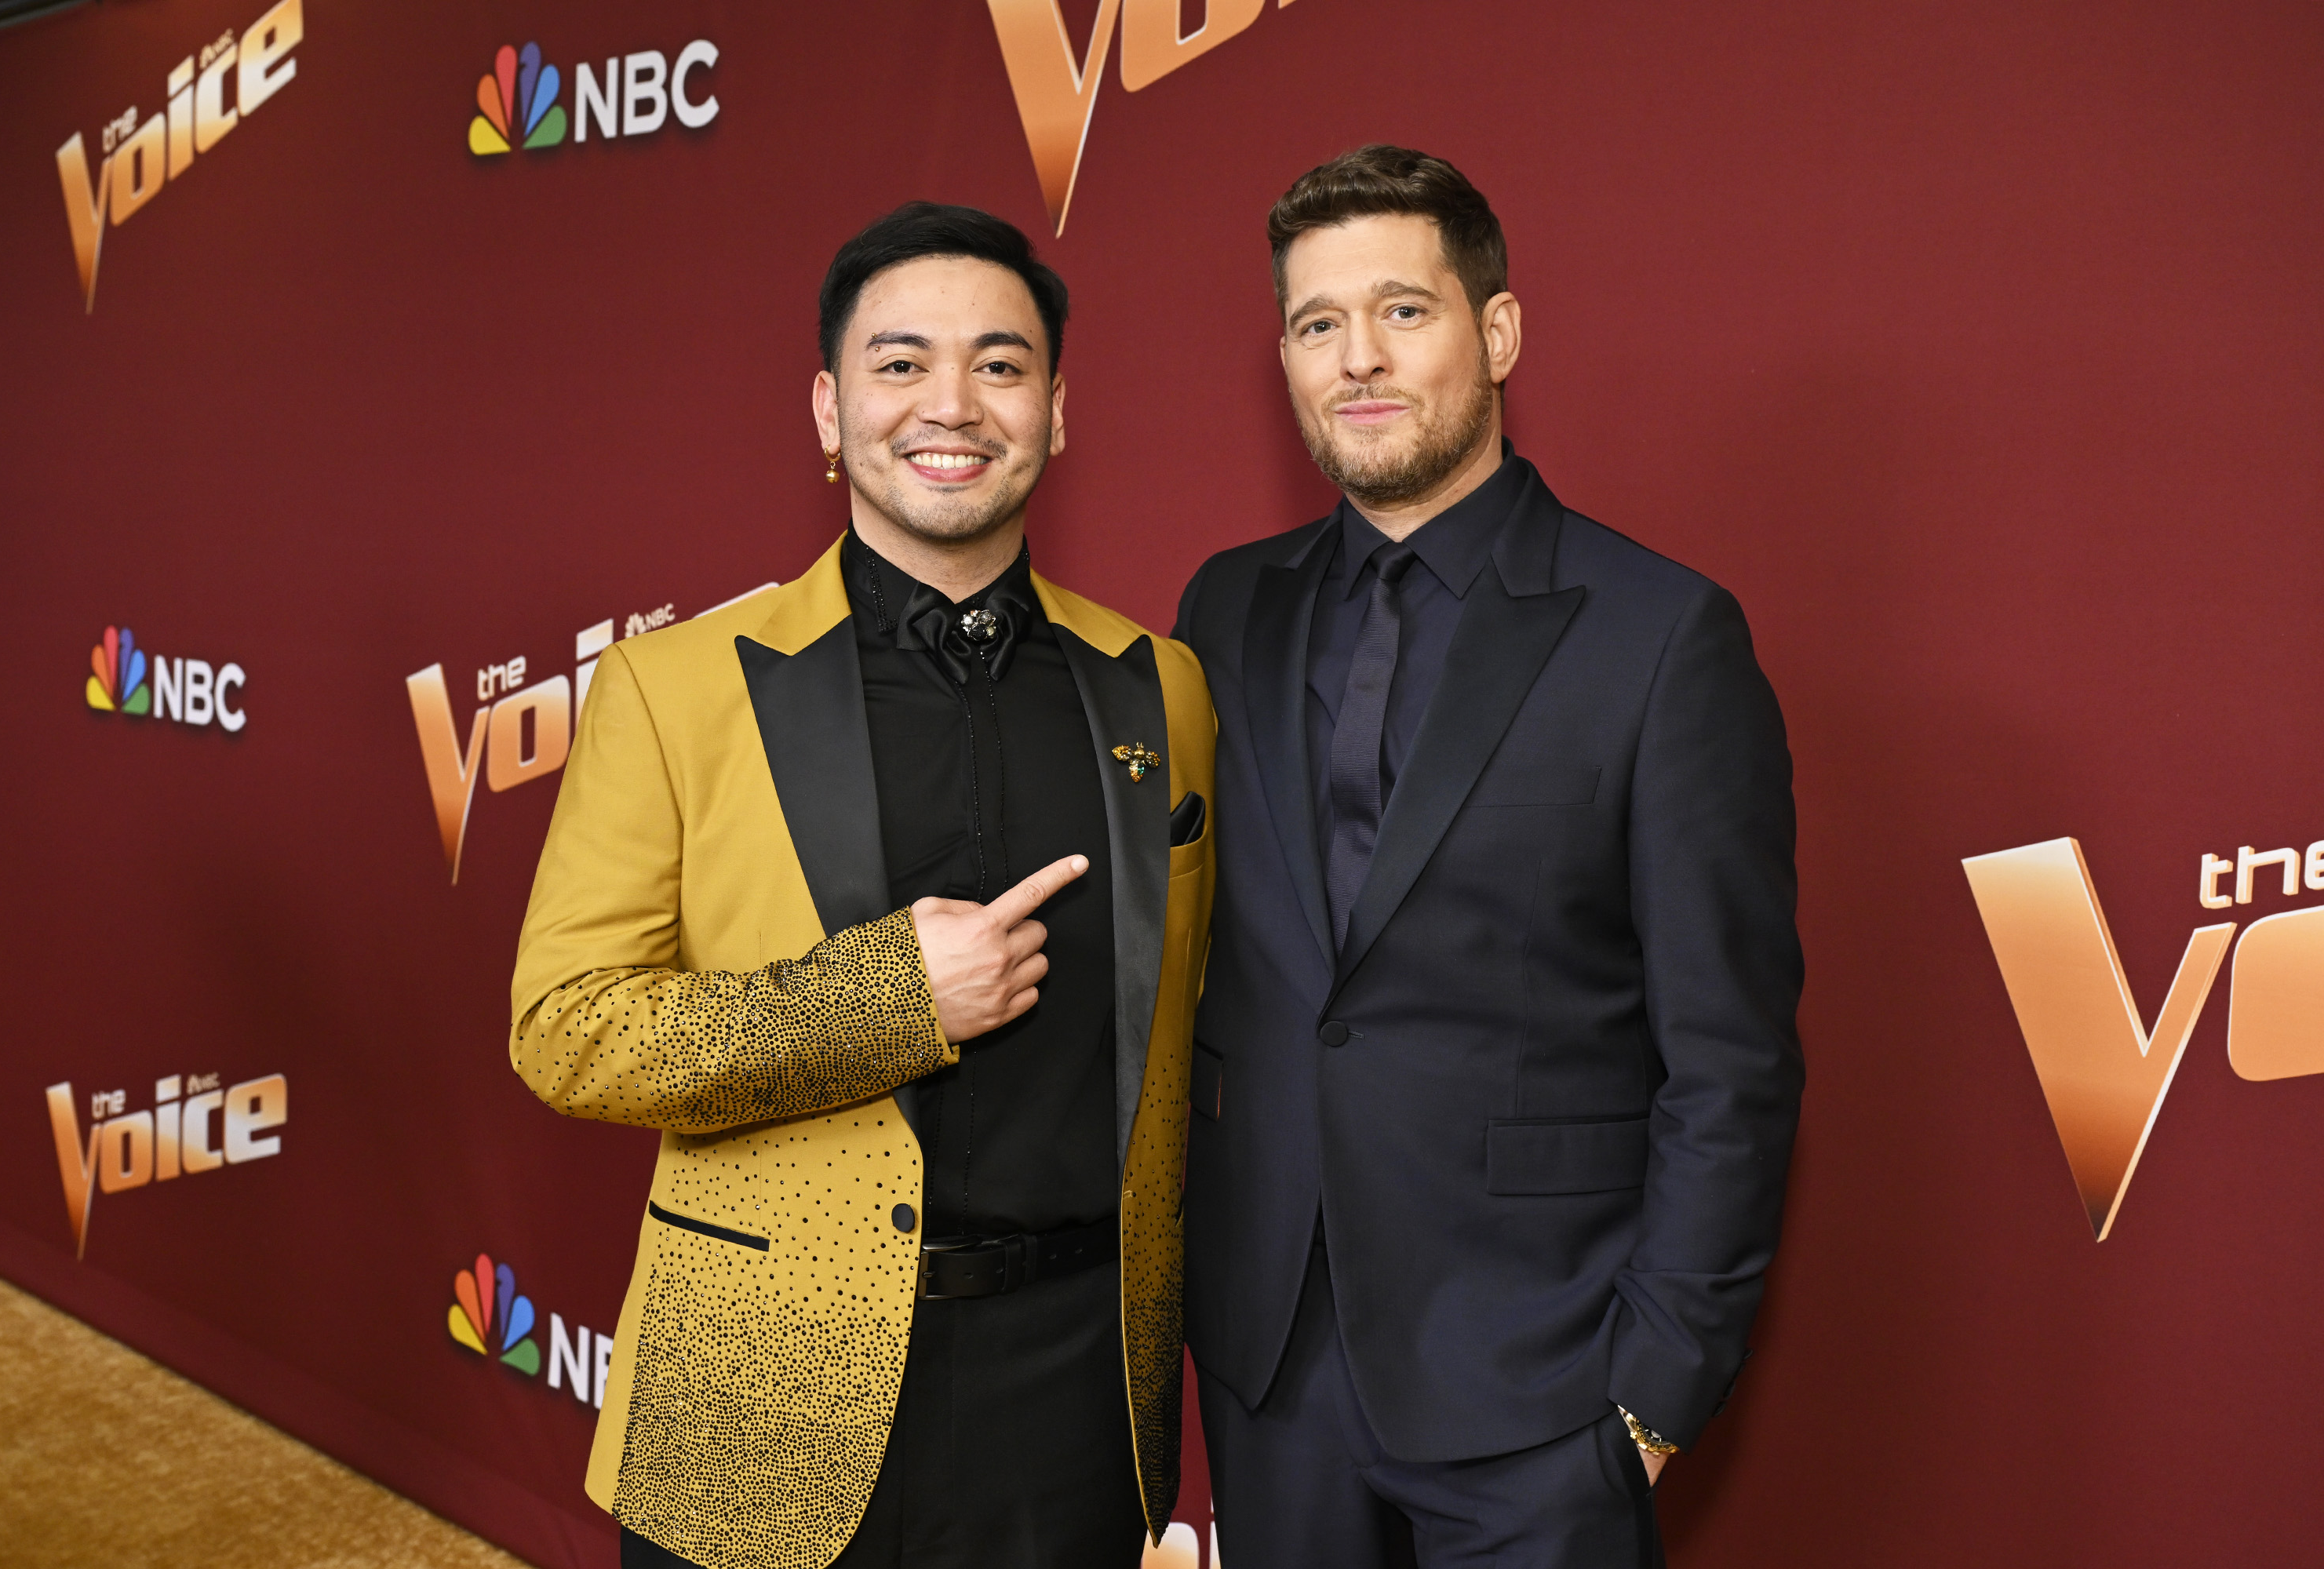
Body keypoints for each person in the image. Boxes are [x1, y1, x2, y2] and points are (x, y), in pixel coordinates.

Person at [512, 202, 1215, 1569]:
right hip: (761, 1389)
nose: (951, 403)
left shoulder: (1159, 687)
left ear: (1058, 412)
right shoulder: (674, 689)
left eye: (1001, 366)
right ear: (829, 410)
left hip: (1072, 1399)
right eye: (900, 364)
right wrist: (885, 998)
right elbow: (566, 1027)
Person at [1173, 146, 1805, 1567]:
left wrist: (1651, 1390)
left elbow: (1731, 1058)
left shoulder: (1658, 637)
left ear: (1499, 332)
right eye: (1316, 324)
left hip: (1544, 1381)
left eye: (1402, 311)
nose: (1357, 361)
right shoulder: (1225, 611)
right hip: (1275, 1367)